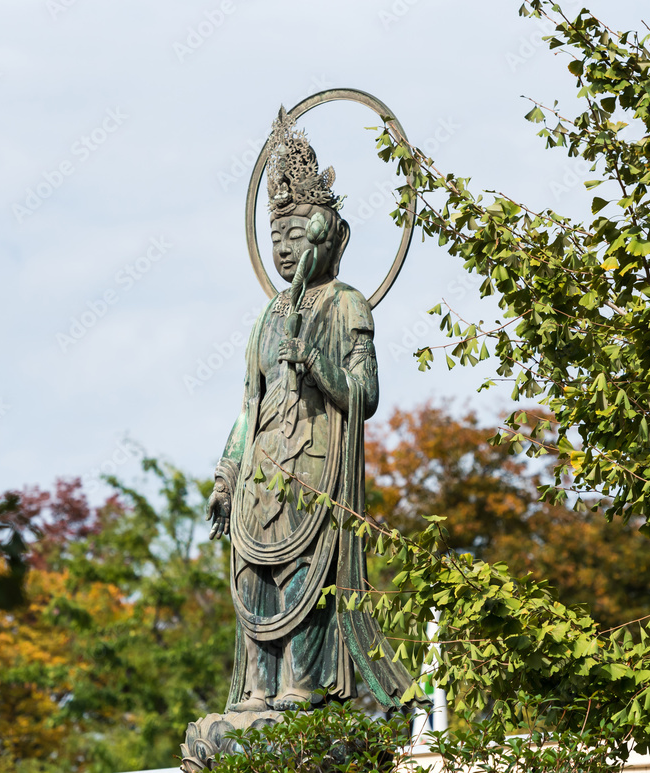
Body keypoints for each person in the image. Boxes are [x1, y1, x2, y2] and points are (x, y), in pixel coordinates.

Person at [206, 108, 419, 713]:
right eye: (277, 242)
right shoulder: (269, 317)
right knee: (253, 579)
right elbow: (250, 405)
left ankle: (301, 687)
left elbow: (366, 394)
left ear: (331, 238)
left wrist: (319, 368)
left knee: (304, 573)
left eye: (298, 239)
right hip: (261, 469)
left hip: (315, 463)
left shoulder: (347, 304)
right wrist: (226, 475)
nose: (286, 251)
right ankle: (256, 691)